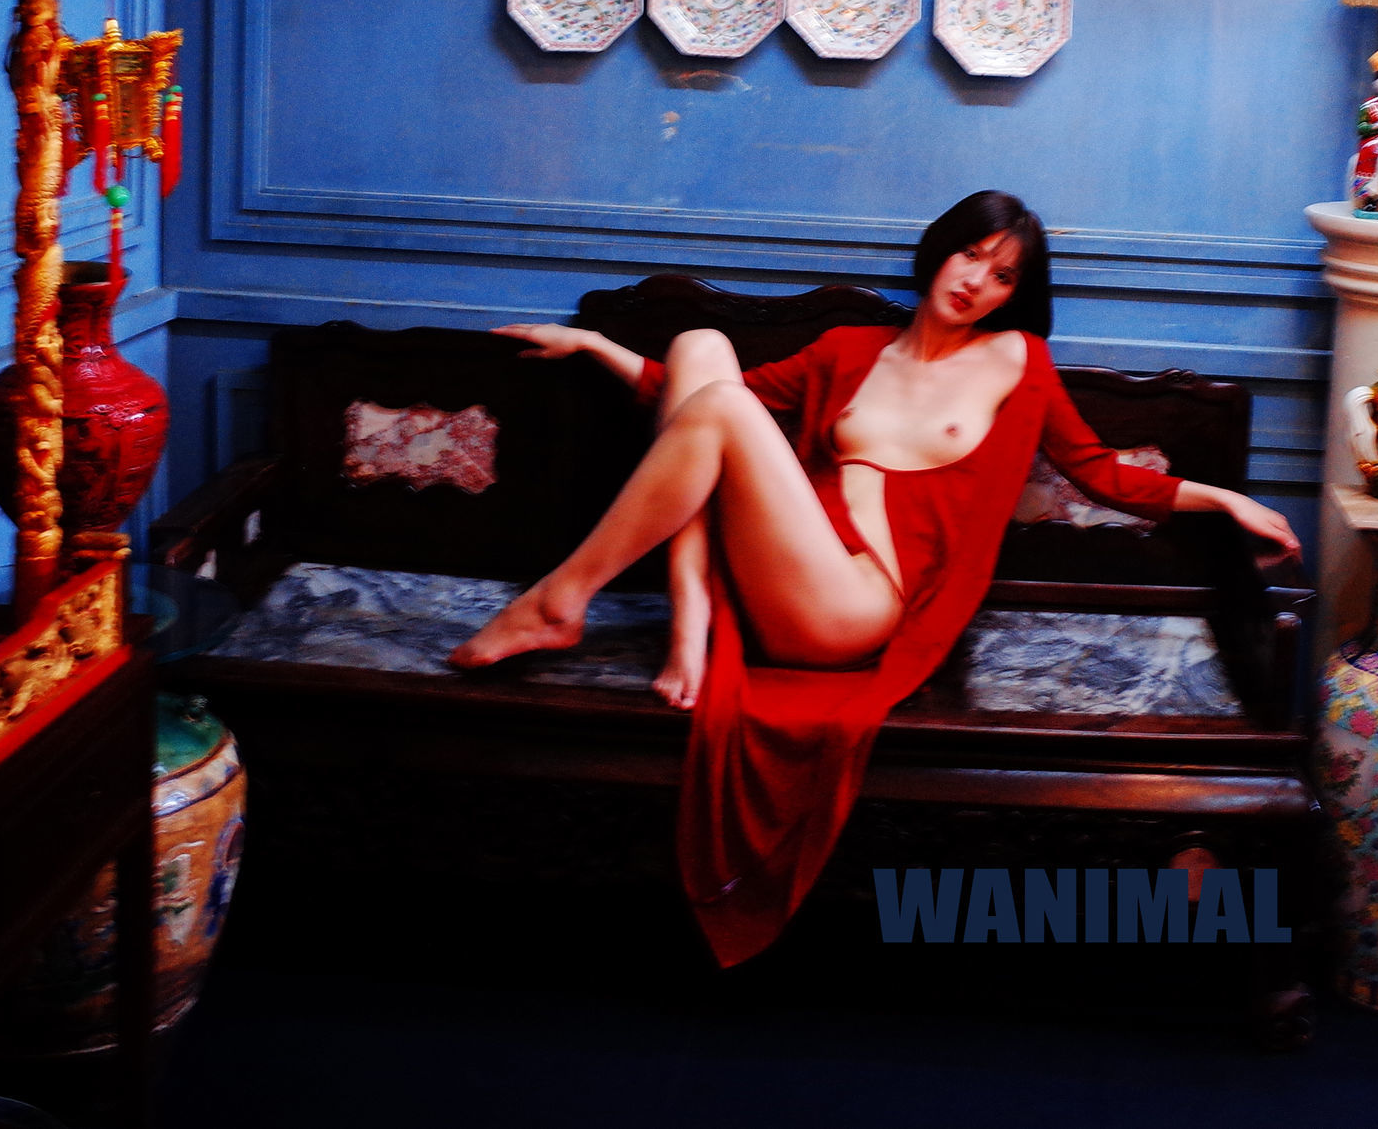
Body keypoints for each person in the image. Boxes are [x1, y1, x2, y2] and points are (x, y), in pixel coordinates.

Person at [448, 189, 1300, 964]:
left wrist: (1226, 499)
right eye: (971, 253)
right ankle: (679, 611)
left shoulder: (1018, 360)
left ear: (1013, 294)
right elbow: (688, 398)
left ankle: (571, 598)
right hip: (787, 566)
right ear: (941, 249)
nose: (977, 280)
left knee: (722, 403)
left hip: (856, 607)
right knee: (702, 349)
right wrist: (594, 342)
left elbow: (1101, 471)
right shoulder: (848, 350)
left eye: (1003, 275)